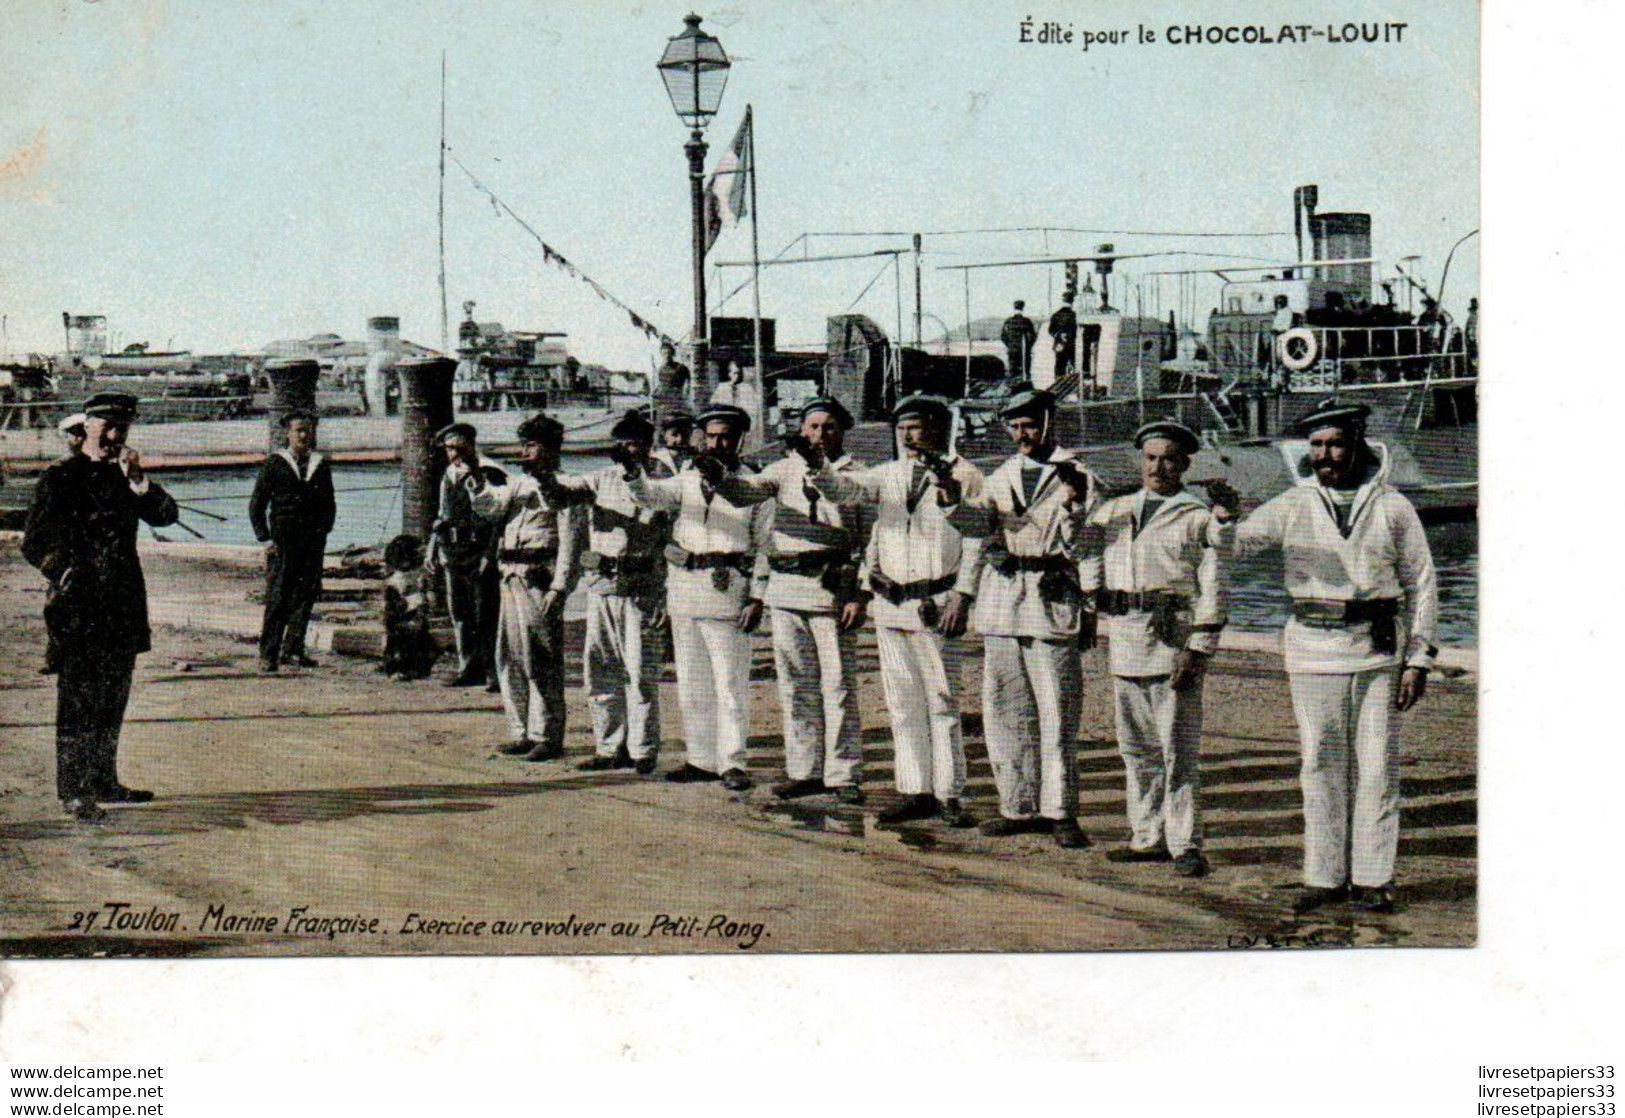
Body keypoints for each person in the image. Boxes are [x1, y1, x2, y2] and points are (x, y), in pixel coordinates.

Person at [1215, 401, 1438, 915]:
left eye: (1334, 444)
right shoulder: (1293, 502)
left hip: (1377, 651)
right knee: (1319, 764)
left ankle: (1373, 878)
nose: (1325, 455)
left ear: (1356, 444)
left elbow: (1422, 584)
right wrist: (1226, 519)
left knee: (1377, 766)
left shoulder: (1392, 506)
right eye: (1316, 446)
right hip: (1312, 650)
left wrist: (1419, 659)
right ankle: (1323, 877)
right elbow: (1240, 544)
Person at [810, 394, 985, 828]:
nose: (907, 436)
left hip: (936, 601)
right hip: (892, 603)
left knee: (942, 701)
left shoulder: (966, 474)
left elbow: (977, 540)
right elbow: (844, 490)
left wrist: (964, 595)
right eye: (902, 428)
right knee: (902, 703)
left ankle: (949, 793)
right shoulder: (887, 474)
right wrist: (816, 467)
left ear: (940, 429)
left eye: (916, 426)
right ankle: (914, 789)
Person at [22, 392, 178, 821]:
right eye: (107, 427)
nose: (114, 435)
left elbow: (166, 515)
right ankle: (73, 789)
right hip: (79, 608)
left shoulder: (125, 475)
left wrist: (140, 480)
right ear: (86, 425)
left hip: (122, 604)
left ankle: (104, 781)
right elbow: (33, 541)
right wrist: (61, 571)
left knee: (113, 698)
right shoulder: (60, 477)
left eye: (121, 429)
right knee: (77, 701)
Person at [708, 397, 870, 804]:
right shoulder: (782, 470)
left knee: (838, 686)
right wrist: (715, 474)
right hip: (786, 585)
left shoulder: (859, 474)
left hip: (831, 586)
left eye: (829, 427)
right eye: (812, 427)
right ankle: (804, 769)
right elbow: (743, 495)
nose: (819, 435)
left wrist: (859, 593)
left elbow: (870, 539)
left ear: (842, 430)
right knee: (796, 685)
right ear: (801, 431)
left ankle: (843, 773)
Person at [1086, 420, 1228, 877]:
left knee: (1177, 750)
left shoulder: (1197, 517)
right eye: (1150, 458)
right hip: (1126, 638)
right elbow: (1082, 545)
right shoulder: (1118, 511)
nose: (1158, 466)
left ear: (1185, 463)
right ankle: (1146, 835)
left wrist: (1199, 646)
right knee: (1136, 748)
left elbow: (1214, 587)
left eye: (1168, 458)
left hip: (1172, 641)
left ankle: (1186, 842)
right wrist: (1093, 596)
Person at [956, 388, 1096, 848]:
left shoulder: (1079, 475)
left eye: (1030, 424)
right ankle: (1017, 806)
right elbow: (978, 535)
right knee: (1004, 709)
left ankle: (1060, 811)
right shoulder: (1000, 477)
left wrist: (1075, 507)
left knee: (1057, 710)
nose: (1022, 434)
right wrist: (964, 591)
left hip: (1052, 596)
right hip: (1002, 599)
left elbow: (1089, 546)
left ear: (1048, 422)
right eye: (1014, 426)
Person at [625, 404, 771, 791]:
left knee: (730, 682)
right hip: (686, 587)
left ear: (740, 440)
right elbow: (651, 497)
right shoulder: (687, 479)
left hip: (729, 589)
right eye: (710, 436)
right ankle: (700, 758)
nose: (717, 443)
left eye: (725, 436)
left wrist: (757, 597)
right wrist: (631, 472)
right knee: (692, 681)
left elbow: (765, 547)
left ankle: (732, 761)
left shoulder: (755, 485)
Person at [538, 412, 675, 775]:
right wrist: (542, 475)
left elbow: (674, 543)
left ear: (648, 446)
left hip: (643, 587)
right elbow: (561, 497)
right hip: (602, 586)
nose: (629, 449)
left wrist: (667, 596)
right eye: (624, 443)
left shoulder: (665, 483)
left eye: (636, 443)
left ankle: (643, 749)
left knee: (641, 673)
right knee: (600, 669)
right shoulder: (599, 479)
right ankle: (610, 745)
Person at [463, 414, 585, 761]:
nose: (525, 453)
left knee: (541, 658)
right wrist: (475, 474)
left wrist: (560, 588)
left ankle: (548, 735)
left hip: (539, 579)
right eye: (524, 445)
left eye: (531, 446)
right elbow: (490, 506)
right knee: (510, 656)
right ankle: (521, 731)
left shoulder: (567, 486)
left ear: (551, 448)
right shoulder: (519, 485)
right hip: (510, 576)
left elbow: (573, 543)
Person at [248, 409, 336, 672]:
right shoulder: (275, 463)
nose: (304, 435)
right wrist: (265, 538)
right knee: (278, 597)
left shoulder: (320, 464)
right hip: (282, 542)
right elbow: (256, 505)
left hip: (312, 541)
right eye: (299, 430)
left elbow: (329, 503)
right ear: (288, 433)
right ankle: (269, 654)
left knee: (306, 594)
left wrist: (323, 532)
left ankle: (294, 650)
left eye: (308, 430)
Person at [427, 423, 503, 690]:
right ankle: (468, 667)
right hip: (453, 552)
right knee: (460, 612)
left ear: (472, 445)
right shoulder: (448, 475)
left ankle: (494, 672)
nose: (454, 454)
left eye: (460, 448)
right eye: (450, 449)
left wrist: (490, 555)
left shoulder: (490, 472)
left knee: (486, 614)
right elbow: (442, 515)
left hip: (479, 552)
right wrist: (433, 548)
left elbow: (499, 519)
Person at [40, 413, 88, 675]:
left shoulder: (100, 467)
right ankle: (55, 655)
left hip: (88, 549)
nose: (77, 440)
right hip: (64, 549)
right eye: (74, 435)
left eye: (81, 435)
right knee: (55, 607)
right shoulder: (57, 471)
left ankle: (71, 658)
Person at [381, 534, 439, 682]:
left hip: (416, 619)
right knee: (397, 643)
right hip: (402, 622)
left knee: (425, 645)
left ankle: (417, 668)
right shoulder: (394, 582)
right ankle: (397, 668)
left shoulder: (418, 576)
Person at [711, 363, 763, 452]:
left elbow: (753, 409)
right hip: (726, 425)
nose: (737, 376)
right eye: (735, 373)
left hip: (742, 424)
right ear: (729, 374)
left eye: (739, 373)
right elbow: (714, 405)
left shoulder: (747, 388)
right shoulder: (722, 388)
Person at [1000, 300, 1038, 380]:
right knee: (1026, 374)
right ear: (1023, 308)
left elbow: (1003, 337)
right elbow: (1033, 337)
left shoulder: (1008, 321)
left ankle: (1012, 388)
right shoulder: (1027, 322)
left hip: (1012, 351)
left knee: (1012, 373)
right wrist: (1028, 347)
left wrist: (1010, 345)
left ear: (1014, 308)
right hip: (1024, 352)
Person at [653, 341, 691, 421]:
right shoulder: (661, 369)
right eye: (664, 353)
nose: (666, 355)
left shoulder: (680, 367)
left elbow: (688, 382)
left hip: (676, 400)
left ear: (673, 354)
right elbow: (660, 384)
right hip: (663, 401)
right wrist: (655, 391)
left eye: (668, 353)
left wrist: (686, 394)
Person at [1048, 295, 1078, 381]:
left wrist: (1059, 335)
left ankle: (1058, 384)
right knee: (1072, 366)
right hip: (1071, 345)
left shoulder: (1056, 315)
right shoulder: (1074, 315)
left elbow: (1050, 330)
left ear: (1063, 301)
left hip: (1059, 345)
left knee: (1059, 366)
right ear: (1072, 303)